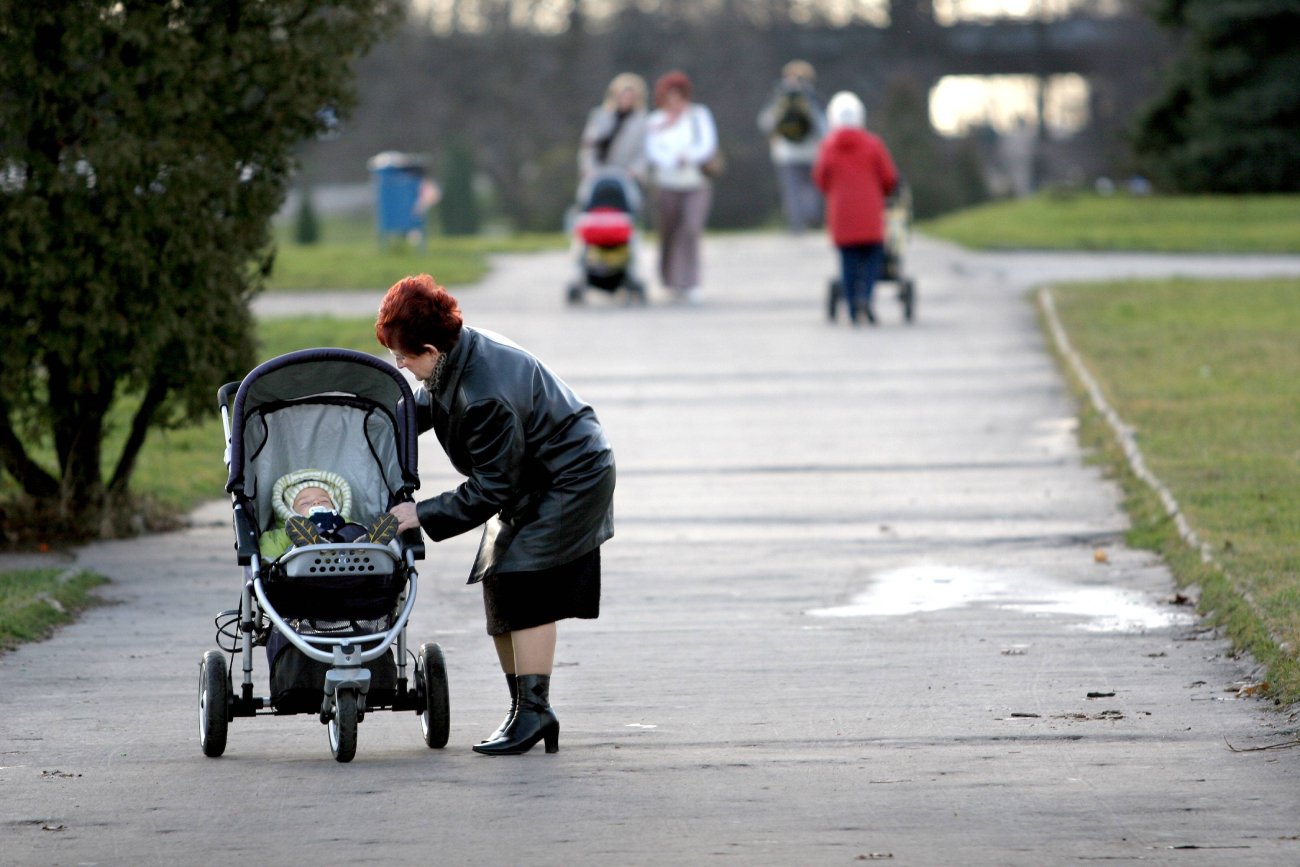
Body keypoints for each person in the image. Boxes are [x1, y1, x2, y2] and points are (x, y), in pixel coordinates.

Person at [378, 275, 616, 756]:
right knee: (499, 580)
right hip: (531, 473)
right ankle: (522, 709)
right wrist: (368, 422)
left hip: (570, 477)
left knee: (524, 580)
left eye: (403, 356)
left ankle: (535, 711)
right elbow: (424, 406)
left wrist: (418, 513)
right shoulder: (455, 355)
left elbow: (492, 486)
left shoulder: (484, 391)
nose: (399, 365)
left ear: (429, 347)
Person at [813, 91, 899, 326]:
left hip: (841, 215)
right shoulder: (873, 144)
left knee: (848, 262)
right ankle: (866, 296)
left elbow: (821, 180)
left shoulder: (828, 147)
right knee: (873, 258)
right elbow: (889, 178)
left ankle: (852, 308)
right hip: (870, 213)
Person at [644, 70, 718, 304]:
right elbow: (653, 150)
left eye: (679, 96)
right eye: (670, 96)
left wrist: (689, 156)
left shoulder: (698, 115)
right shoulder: (656, 121)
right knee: (669, 232)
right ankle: (669, 280)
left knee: (690, 229)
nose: (675, 101)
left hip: (695, 182)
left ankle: (690, 282)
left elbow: (707, 144)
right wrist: (671, 159)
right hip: (667, 183)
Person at [258, 468, 399, 561]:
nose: (316, 502)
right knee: (296, 539)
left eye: (324, 500)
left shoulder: (346, 522)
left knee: (354, 530)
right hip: (304, 566)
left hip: (351, 561)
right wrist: (269, 563)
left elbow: (358, 529)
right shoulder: (285, 532)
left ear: (335, 505)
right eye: (305, 503)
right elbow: (268, 551)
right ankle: (312, 544)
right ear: (290, 511)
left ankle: (371, 545)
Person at [757, 60, 826, 233]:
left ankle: (797, 225)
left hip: (785, 154)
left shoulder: (779, 97)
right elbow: (824, 127)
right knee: (811, 188)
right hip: (811, 152)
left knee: (792, 190)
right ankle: (809, 218)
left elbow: (764, 123)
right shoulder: (812, 97)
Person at [578, 72, 650, 186]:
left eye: (630, 97)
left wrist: (635, 171)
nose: (626, 100)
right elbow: (588, 146)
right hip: (598, 172)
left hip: (626, 175)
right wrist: (588, 169)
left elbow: (643, 152)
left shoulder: (641, 122)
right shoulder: (599, 116)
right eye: (623, 95)